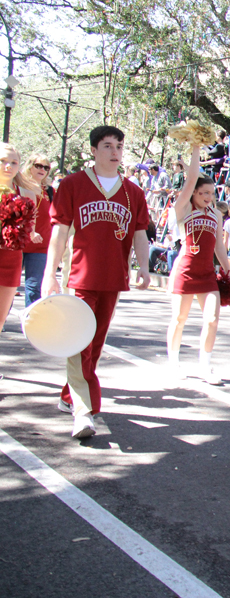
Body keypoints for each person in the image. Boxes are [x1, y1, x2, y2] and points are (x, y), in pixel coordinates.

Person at [41, 126, 151, 438]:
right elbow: (60, 232)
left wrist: (143, 266)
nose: (115, 151)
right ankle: (83, 411)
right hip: (79, 276)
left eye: (119, 145)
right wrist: (51, 274)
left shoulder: (134, 192)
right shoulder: (73, 184)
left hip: (113, 277)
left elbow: (140, 233)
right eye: (107, 146)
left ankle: (70, 394)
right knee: (79, 341)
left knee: (95, 343)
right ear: (93, 150)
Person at [166, 144, 230, 385]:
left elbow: (219, 247)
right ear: (193, 193)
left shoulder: (216, 214)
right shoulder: (183, 209)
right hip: (185, 270)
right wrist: (195, 148)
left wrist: (228, 269)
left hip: (206, 274)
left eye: (212, 194)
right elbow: (192, 176)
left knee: (213, 319)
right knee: (179, 319)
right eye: (204, 193)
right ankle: (173, 363)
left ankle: (205, 365)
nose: (208, 197)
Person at [0, 144, 39, 321]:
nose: (8, 166)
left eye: (14, 162)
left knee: (1, 319)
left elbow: (29, 229)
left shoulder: (27, 194)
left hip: (11, 258)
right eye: (3, 161)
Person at [21, 154, 55, 306]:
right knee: (7, 285)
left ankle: (31, 324)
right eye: (38, 166)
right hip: (17, 242)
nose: (42, 170)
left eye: (46, 167)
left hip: (41, 245)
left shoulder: (50, 191)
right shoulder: (19, 186)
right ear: (30, 165)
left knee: (34, 288)